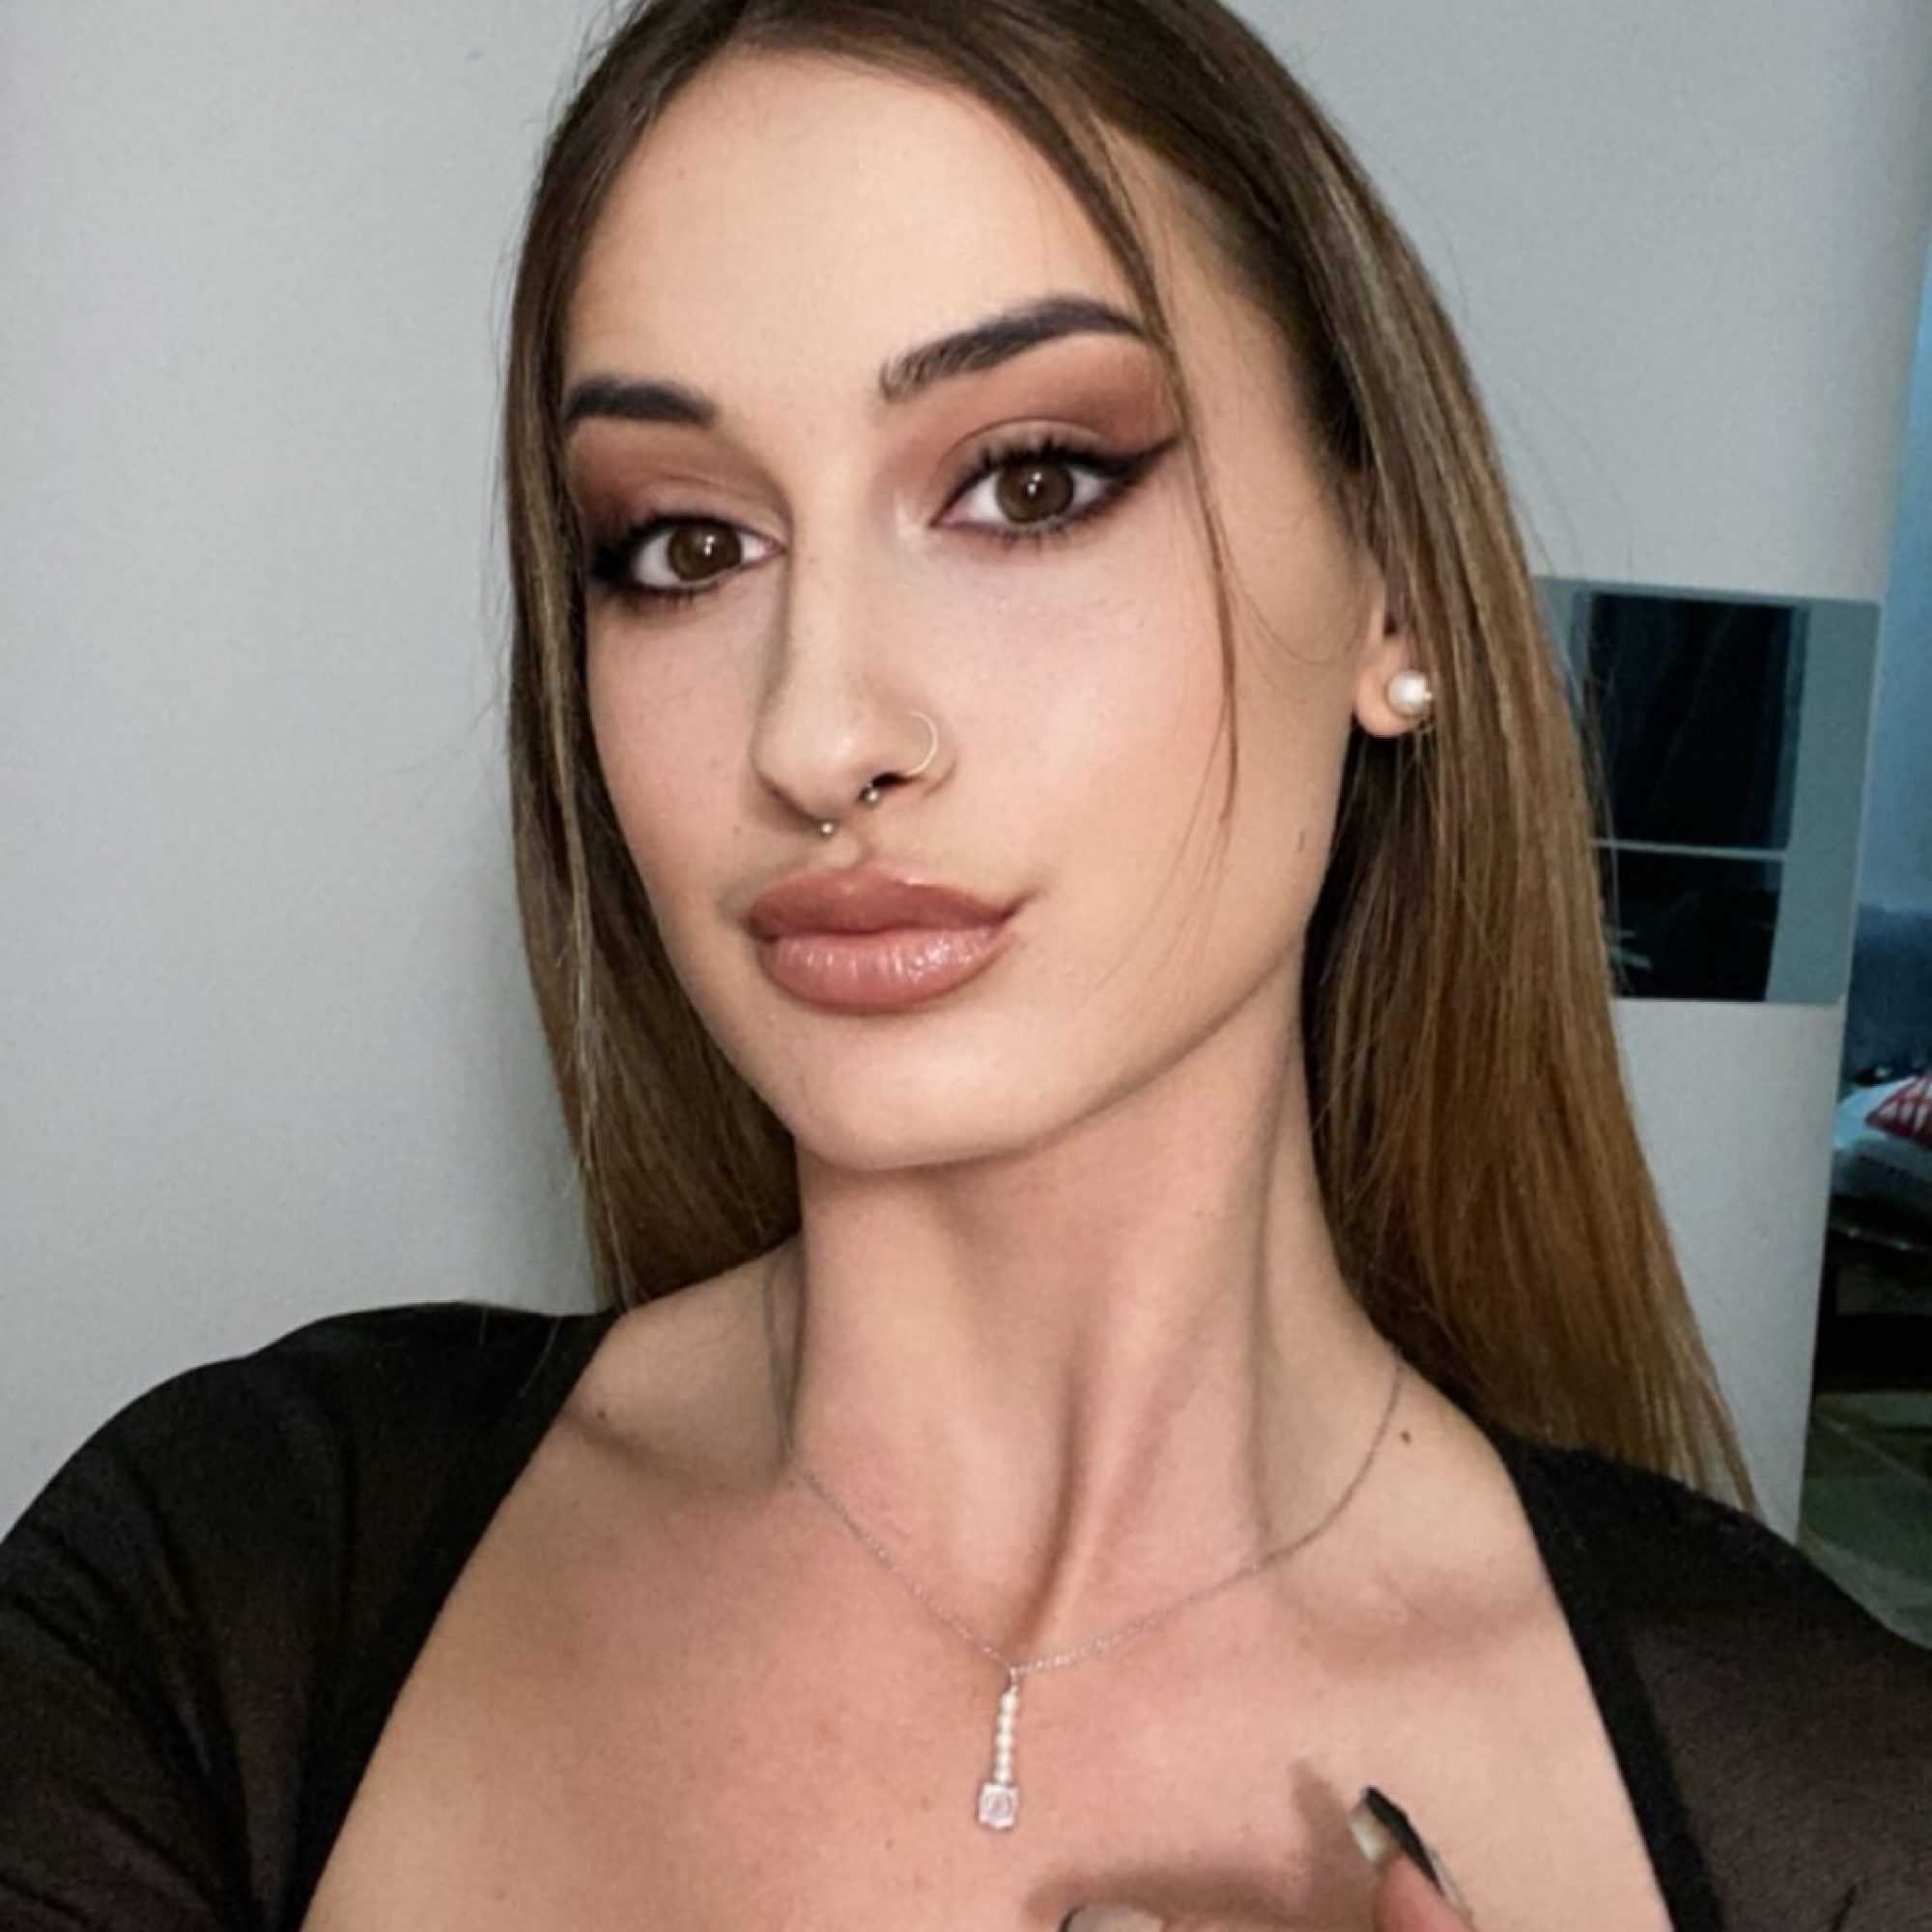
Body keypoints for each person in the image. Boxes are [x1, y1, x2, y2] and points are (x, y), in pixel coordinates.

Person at [3, 1, 1928, 1927]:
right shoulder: (224, 1579)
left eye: (1028, 481)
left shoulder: (1838, 1809)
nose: (816, 732)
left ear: (1393, 587)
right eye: (683, 547)